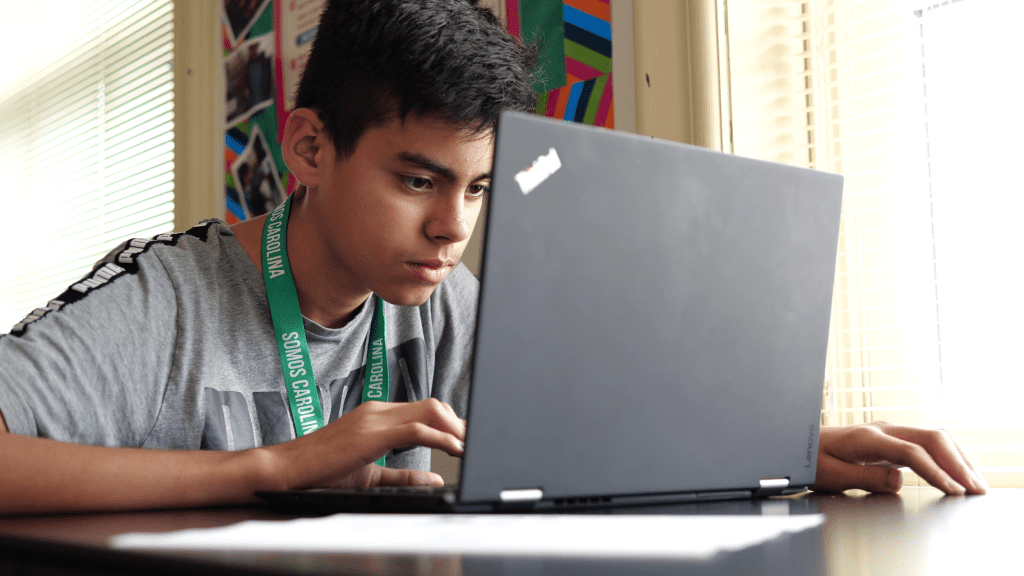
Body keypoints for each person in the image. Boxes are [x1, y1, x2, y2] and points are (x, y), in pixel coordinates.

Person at [0, 0, 986, 515]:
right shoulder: (164, 300)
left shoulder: (444, 301)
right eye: (417, 180)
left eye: (475, 189)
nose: (453, 229)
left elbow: (584, 435)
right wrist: (275, 465)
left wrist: (780, 455)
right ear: (308, 149)